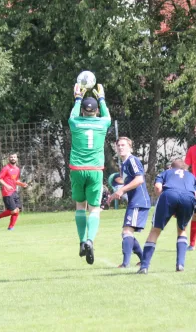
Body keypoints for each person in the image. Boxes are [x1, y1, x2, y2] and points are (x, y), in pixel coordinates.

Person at [69, 82, 111, 265]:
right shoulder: (103, 122)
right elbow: (107, 114)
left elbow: (73, 113)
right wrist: (101, 98)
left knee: (80, 206)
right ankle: (90, 240)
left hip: (77, 170)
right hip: (95, 170)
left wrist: (78, 97)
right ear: (96, 111)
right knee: (94, 208)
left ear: (83, 111)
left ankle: (80, 242)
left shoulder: (75, 122)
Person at [136, 159, 196, 274]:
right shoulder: (191, 176)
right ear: (185, 169)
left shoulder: (166, 172)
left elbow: (158, 187)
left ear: (171, 167)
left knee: (155, 230)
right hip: (188, 197)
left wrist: (166, 202)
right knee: (182, 230)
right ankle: (180, 264)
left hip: (169, 194)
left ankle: (144, 266)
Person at [109, 137, 150, 268]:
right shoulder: (124, 164)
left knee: (127, 231)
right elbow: (128, 182)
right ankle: (143, 258)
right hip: (134, 201)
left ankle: (125, 264)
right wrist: (116, 192)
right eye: (118, 145)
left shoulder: (132, 160)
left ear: (130, 147)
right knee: (126, 232)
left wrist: (122, 191)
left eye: (123, 145)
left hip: (139, 201)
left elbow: (139, 180)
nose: (120, 147)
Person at [0, 153, 28, 230]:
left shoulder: (17, 169)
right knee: (13, 211)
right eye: (11, 157)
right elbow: (0, 178)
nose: (13, 158)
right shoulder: (6, 168)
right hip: (7, 193)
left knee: (17, 210)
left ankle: (11, 227)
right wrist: (7, 186)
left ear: (17, 159)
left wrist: (22, 184)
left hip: (14, 191)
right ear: (9, 158)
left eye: (14, 157)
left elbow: (16, 180)